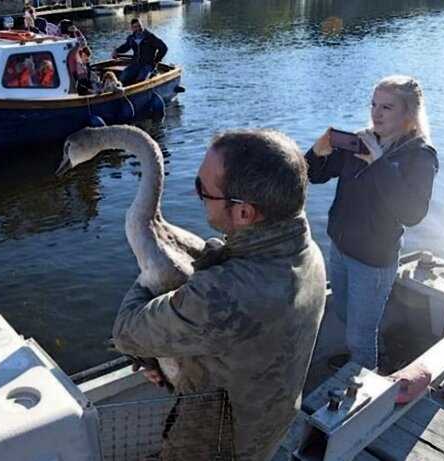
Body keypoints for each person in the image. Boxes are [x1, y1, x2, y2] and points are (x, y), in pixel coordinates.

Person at [112, 129, 327, 461]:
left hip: (212, 445)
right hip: (270, 420)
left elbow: (127, 332)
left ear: (243, 213)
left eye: (203, 190)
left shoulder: (221, 296)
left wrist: (152, 273)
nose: (195, 194)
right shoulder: (307, 253)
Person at [306, 75, 439, 371]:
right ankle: (362, 360)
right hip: (340, 249)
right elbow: (313, 175)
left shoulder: (420, 156)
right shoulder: (360, 142)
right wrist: (316, 151)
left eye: (387, 107)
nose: (375, 113)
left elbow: (412, 214)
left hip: (373, 262)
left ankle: (363, 381)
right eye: (374, 104)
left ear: (409, 114)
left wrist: (379, 164)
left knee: (358, 335)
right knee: (342, 312)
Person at [111, 18, 167, 85]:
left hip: (147, 65)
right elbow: (125, 47)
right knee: (122, 77)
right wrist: (116, 51)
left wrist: (156, 60)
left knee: (141, 80)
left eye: (139, 26)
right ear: (132, 28)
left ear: (142, 25)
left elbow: (164, 48)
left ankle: (153, 73)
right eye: (135, 27)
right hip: (135, 64)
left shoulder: (151, 37)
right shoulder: (131, 38)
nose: (138, 28)